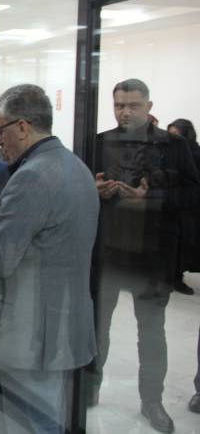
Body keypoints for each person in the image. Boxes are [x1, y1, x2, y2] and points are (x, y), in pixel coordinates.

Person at [86, 79, 200, 434]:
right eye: (119, 105)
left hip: (152, 256)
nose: (125, 112)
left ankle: (152, 400)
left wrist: (151, 198)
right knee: (97, 329)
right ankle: (90, 388)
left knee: (151, 332)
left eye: (133, 105)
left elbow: (193, 196)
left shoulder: (174, 146)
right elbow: (81, 188)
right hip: (108, 253)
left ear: (149, 106)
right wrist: (94, 189)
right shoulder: (99, 143)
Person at [0, 84, 99, 434]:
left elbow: (0, 258)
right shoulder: (75, 166)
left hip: (32, 334)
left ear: (22, 127)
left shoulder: (31, 177)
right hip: (61, 326)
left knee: (28, 422)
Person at [166, 118, 200, 295]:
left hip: (189, 207)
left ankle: (177, 277)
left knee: (184, 245)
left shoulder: (195, 154)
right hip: (172, 204)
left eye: (176, 134)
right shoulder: (170, 152)